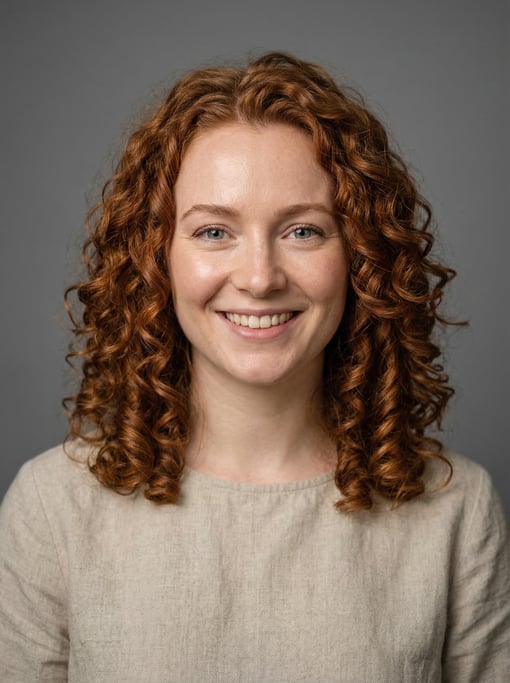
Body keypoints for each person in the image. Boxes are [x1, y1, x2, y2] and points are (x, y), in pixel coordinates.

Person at [0, 52, 508, 682]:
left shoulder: (455, 508)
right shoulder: (52, 508)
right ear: (156, 258)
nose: (261, 278)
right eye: (215, 232)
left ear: (363, 258)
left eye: (303, 232)